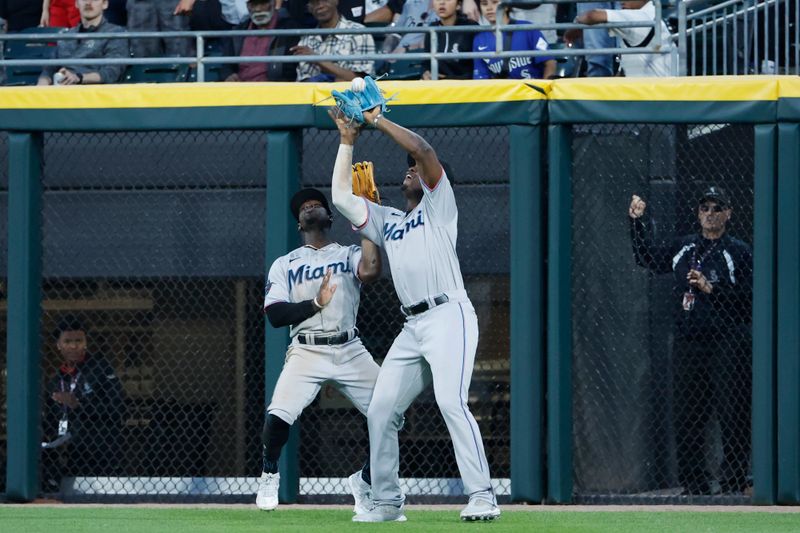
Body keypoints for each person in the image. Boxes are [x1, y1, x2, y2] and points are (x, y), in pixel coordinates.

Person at [328, 108, 500, 522]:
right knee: (382, 408)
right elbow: (338, 197)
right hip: (413, 326)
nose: (408, 170)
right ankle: (386, 503)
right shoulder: (389, 220)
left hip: (448, 314)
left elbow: (422, 148)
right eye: (406, 168)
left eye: (414, 169)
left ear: (429, 179)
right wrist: (347, 140)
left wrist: (377, 120)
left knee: (450, 400)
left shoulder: (440, 204)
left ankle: (482, 495)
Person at [257, 187, 383, 512]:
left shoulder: (348, 253)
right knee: (278, 417)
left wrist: (366, 216)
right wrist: (314, 304)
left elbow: (370, 271)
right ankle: (269, 473)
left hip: (349, 347)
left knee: (391, 414)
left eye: (317, 204)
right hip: (306, 350)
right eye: (304, 207)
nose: (310, 207)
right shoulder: (285, 264)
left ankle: (365, 481)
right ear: (300, 224)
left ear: (330, 216)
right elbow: (275, 315)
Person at [628, 186, 753, 495]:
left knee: (733, 412)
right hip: (689, 341)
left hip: (728, 341)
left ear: (728, 213)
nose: (710, 214)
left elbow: (751, 298)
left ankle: (733, 481)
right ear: (698, 214)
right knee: (687, 415)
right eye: (705, 209)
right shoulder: (684, 247)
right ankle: (694, 483)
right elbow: (648, 257)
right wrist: (636, 222)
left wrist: (714, 290)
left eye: (716, 208)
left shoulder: (737, 250)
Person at [41, 316, 125, 491]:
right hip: (69, 454)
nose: (74, 346)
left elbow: (117, 408)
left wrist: (79, 404)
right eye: (68, 341)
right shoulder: (55, 381)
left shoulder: (102, 369)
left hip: (101, 451)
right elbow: (50, 418)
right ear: (59, 345)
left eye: (79, 340)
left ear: (86, 343)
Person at [566, 0, 673, 77]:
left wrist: (576, 25)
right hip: (647, 93)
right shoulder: (647, 15)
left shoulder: (642, 17)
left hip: (656, 97)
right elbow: (624, 72)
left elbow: (592, 16)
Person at [37, 0, 129, 85]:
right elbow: (49, 69)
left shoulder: (115, 33)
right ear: (76, 4)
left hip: (94, 95)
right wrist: (41, 86)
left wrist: (79, 78)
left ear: (105, 4)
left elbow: (112, 73)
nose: (88, 2)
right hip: (61, 94)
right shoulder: (67, 35)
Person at [292, 0, 375, 82]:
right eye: (314, 2)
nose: (320, 6)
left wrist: (316, 59)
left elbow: (362, 80)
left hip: (349, 94)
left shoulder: (359, 33)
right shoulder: (306, 40)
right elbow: (303, 82)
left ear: (336, 1)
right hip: (314, 94)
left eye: (325, 0)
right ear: (309, 8)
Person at [472, 0, 555, 80]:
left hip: (531, 91)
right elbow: (481, 77)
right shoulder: (479, 40)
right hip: (503, 92)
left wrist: (544, 90)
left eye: (495, 2)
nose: (489, 8)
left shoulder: (528, 28)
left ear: (506, 6)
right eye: (484, 4)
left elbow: (550, 63)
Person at [224, 0, 301, 82]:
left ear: (273, 4)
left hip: (274, 90)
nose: (258, 9)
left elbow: (290, 70)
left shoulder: (288, 30)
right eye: (254, 4)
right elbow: (226, 65)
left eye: (263, 3)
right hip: (241, 89)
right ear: (247, 6)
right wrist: (229, 75)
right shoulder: (239, 32)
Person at [421, 0, 477, 80]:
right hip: (436, 87)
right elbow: (426, 62)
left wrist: (449, 78)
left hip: (465, 87)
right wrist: (425, 73)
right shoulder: (431, 29)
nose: (442, 2)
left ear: (458, 5)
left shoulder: (471, 27)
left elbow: (479, 67)